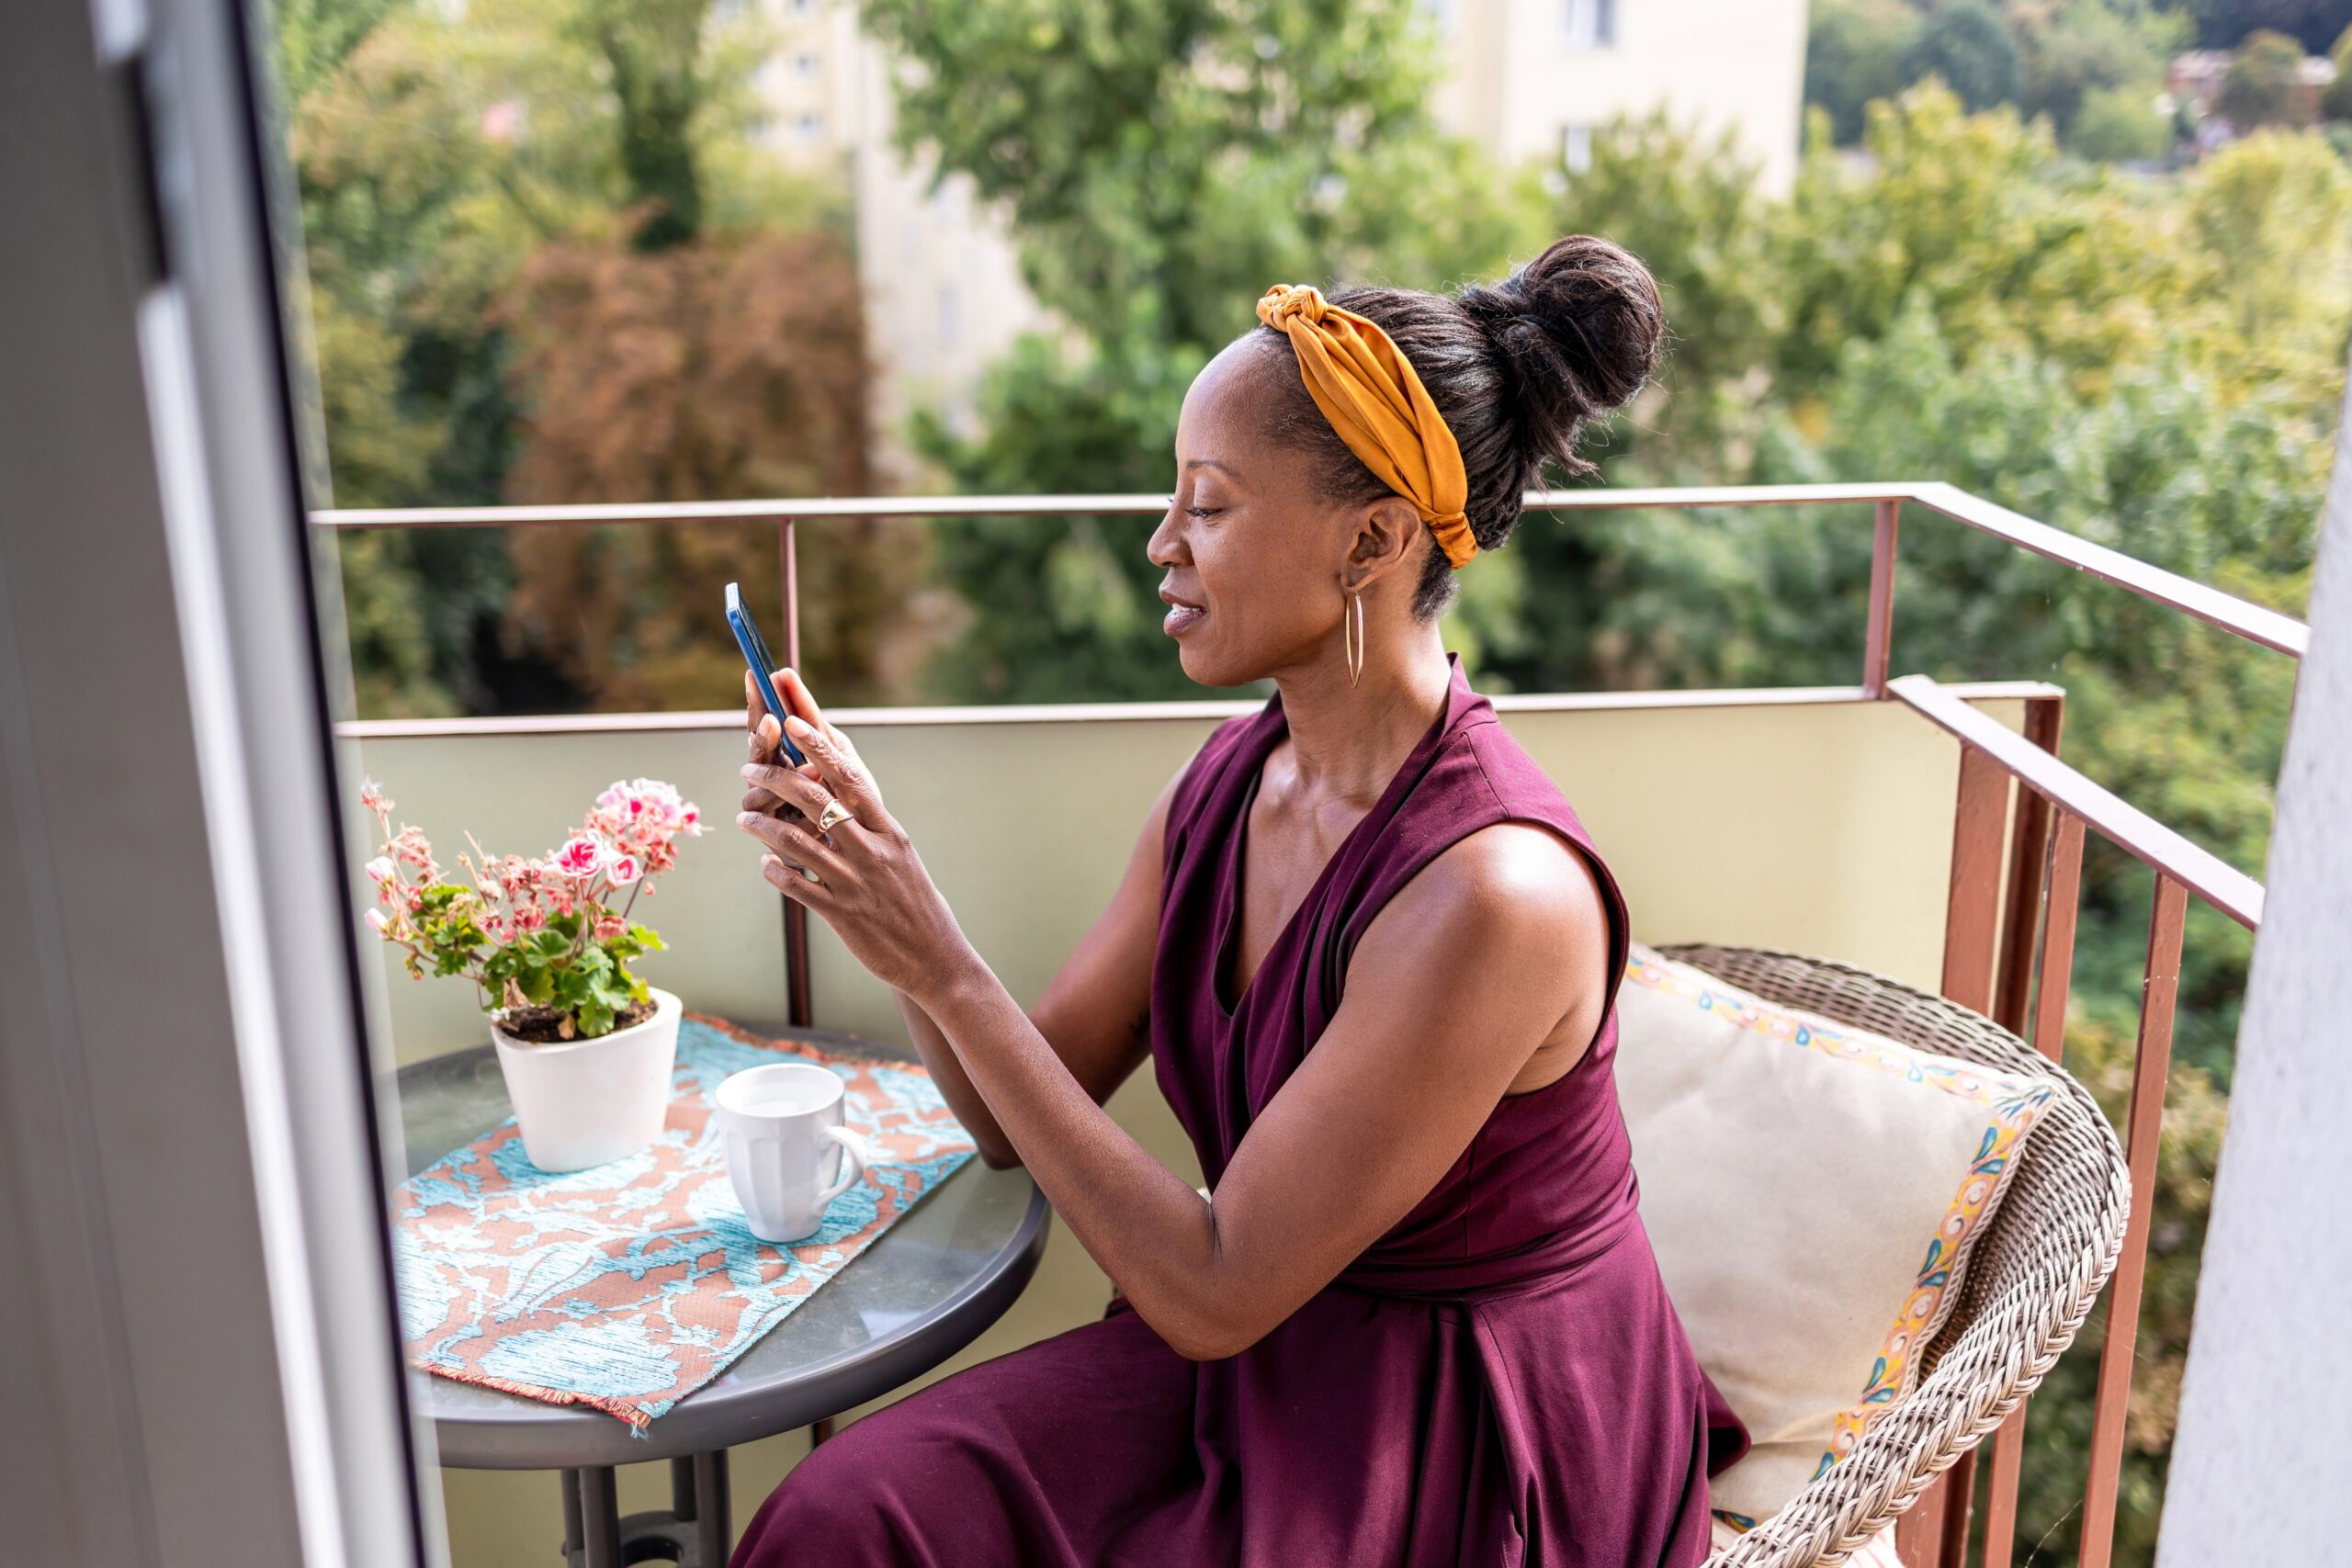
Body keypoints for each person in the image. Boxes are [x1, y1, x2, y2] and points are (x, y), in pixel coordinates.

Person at [727, 235, 1747, 1568]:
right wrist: (891, 896)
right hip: (1270, 1335)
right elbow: (997, 1116)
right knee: (847, 1514)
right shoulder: (1228, 786)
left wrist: (945, 962)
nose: (1162, 544)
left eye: (1207, 505)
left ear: (1372, 542)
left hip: (1465, 1427)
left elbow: (1211, 1288)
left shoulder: (1494, 895)